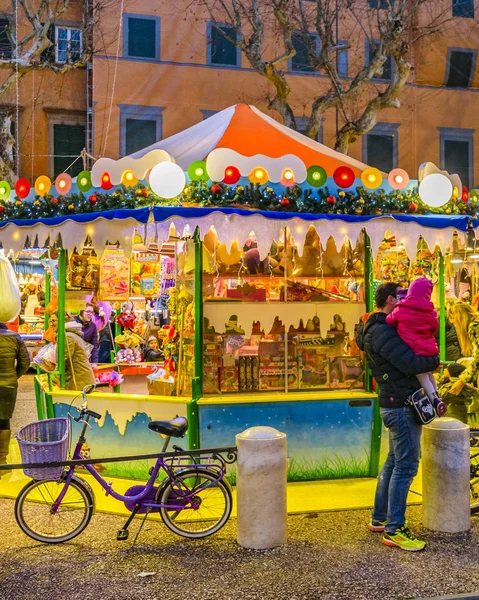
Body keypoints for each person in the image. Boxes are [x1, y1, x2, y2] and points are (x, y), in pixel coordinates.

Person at [356, 282, 440, 552]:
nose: (405, 301)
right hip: (401, 405)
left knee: (393, 463)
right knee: (405, 467)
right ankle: (395, 529)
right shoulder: (382, 332)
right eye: (401, 297)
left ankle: (380, 519)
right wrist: (436, 362)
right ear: (391, 300)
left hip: (395, 403)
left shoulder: (381, 328)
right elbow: (411, 363)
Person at [386, 278, 446, 417]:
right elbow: (434, 328)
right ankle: (437, 395)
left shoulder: (402, 308)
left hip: (413, 349)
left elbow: (390, 320)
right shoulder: (430, 311)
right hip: (428, 348)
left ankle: (434, 399)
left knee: (422, 375)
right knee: (429, 373)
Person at [0, 321, 30, 472]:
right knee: (4, 420)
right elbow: (26, 362)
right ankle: (3, 462)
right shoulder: (15, 337)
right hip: (8, 386)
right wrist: (14, 376)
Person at [49, 313, 95, 390]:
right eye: (49, 321)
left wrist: (51, 382)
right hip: (80, 380)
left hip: (79, 381)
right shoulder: (70, 334)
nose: (51, 324)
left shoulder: (67, 337)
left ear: (62, 320)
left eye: (53, 321)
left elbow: (63, 362)